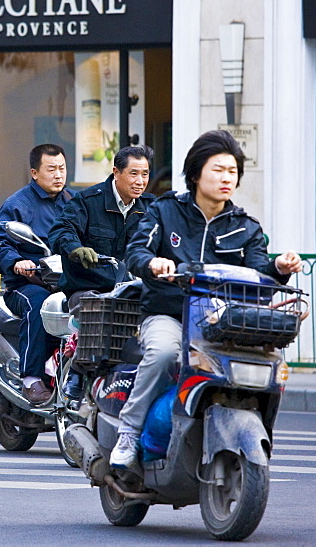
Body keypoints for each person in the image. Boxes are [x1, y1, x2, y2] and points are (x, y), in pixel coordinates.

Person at [111, 130, 302, 468]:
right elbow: (136, 252)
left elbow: (261, 273)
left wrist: (279, 267)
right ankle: (128, 432)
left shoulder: (246, 227)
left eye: (232, 171)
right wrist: (153, 262)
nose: (227, 177)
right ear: (196, 173)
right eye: (218, 170)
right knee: (164, 353)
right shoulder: (165, 210)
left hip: (223, 323)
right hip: (169, 314)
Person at [0, 144, 73, 405]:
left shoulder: (74, 202)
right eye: (51, 169)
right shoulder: (18, 205)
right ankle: (31, 379)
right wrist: (16, 262)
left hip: (66, 283)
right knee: (39, 305)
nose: (58, 175)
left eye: (62, 168)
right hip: (25, 286)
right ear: (35, 173)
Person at [49, 144, 157, 306]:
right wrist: (75, 249)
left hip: (133, 289)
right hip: (89, 289)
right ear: (116, 173)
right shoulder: (87, 201)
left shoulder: (152, 207)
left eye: (145, 174)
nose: (140, 181)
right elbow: (62, 230)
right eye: (133, 174)